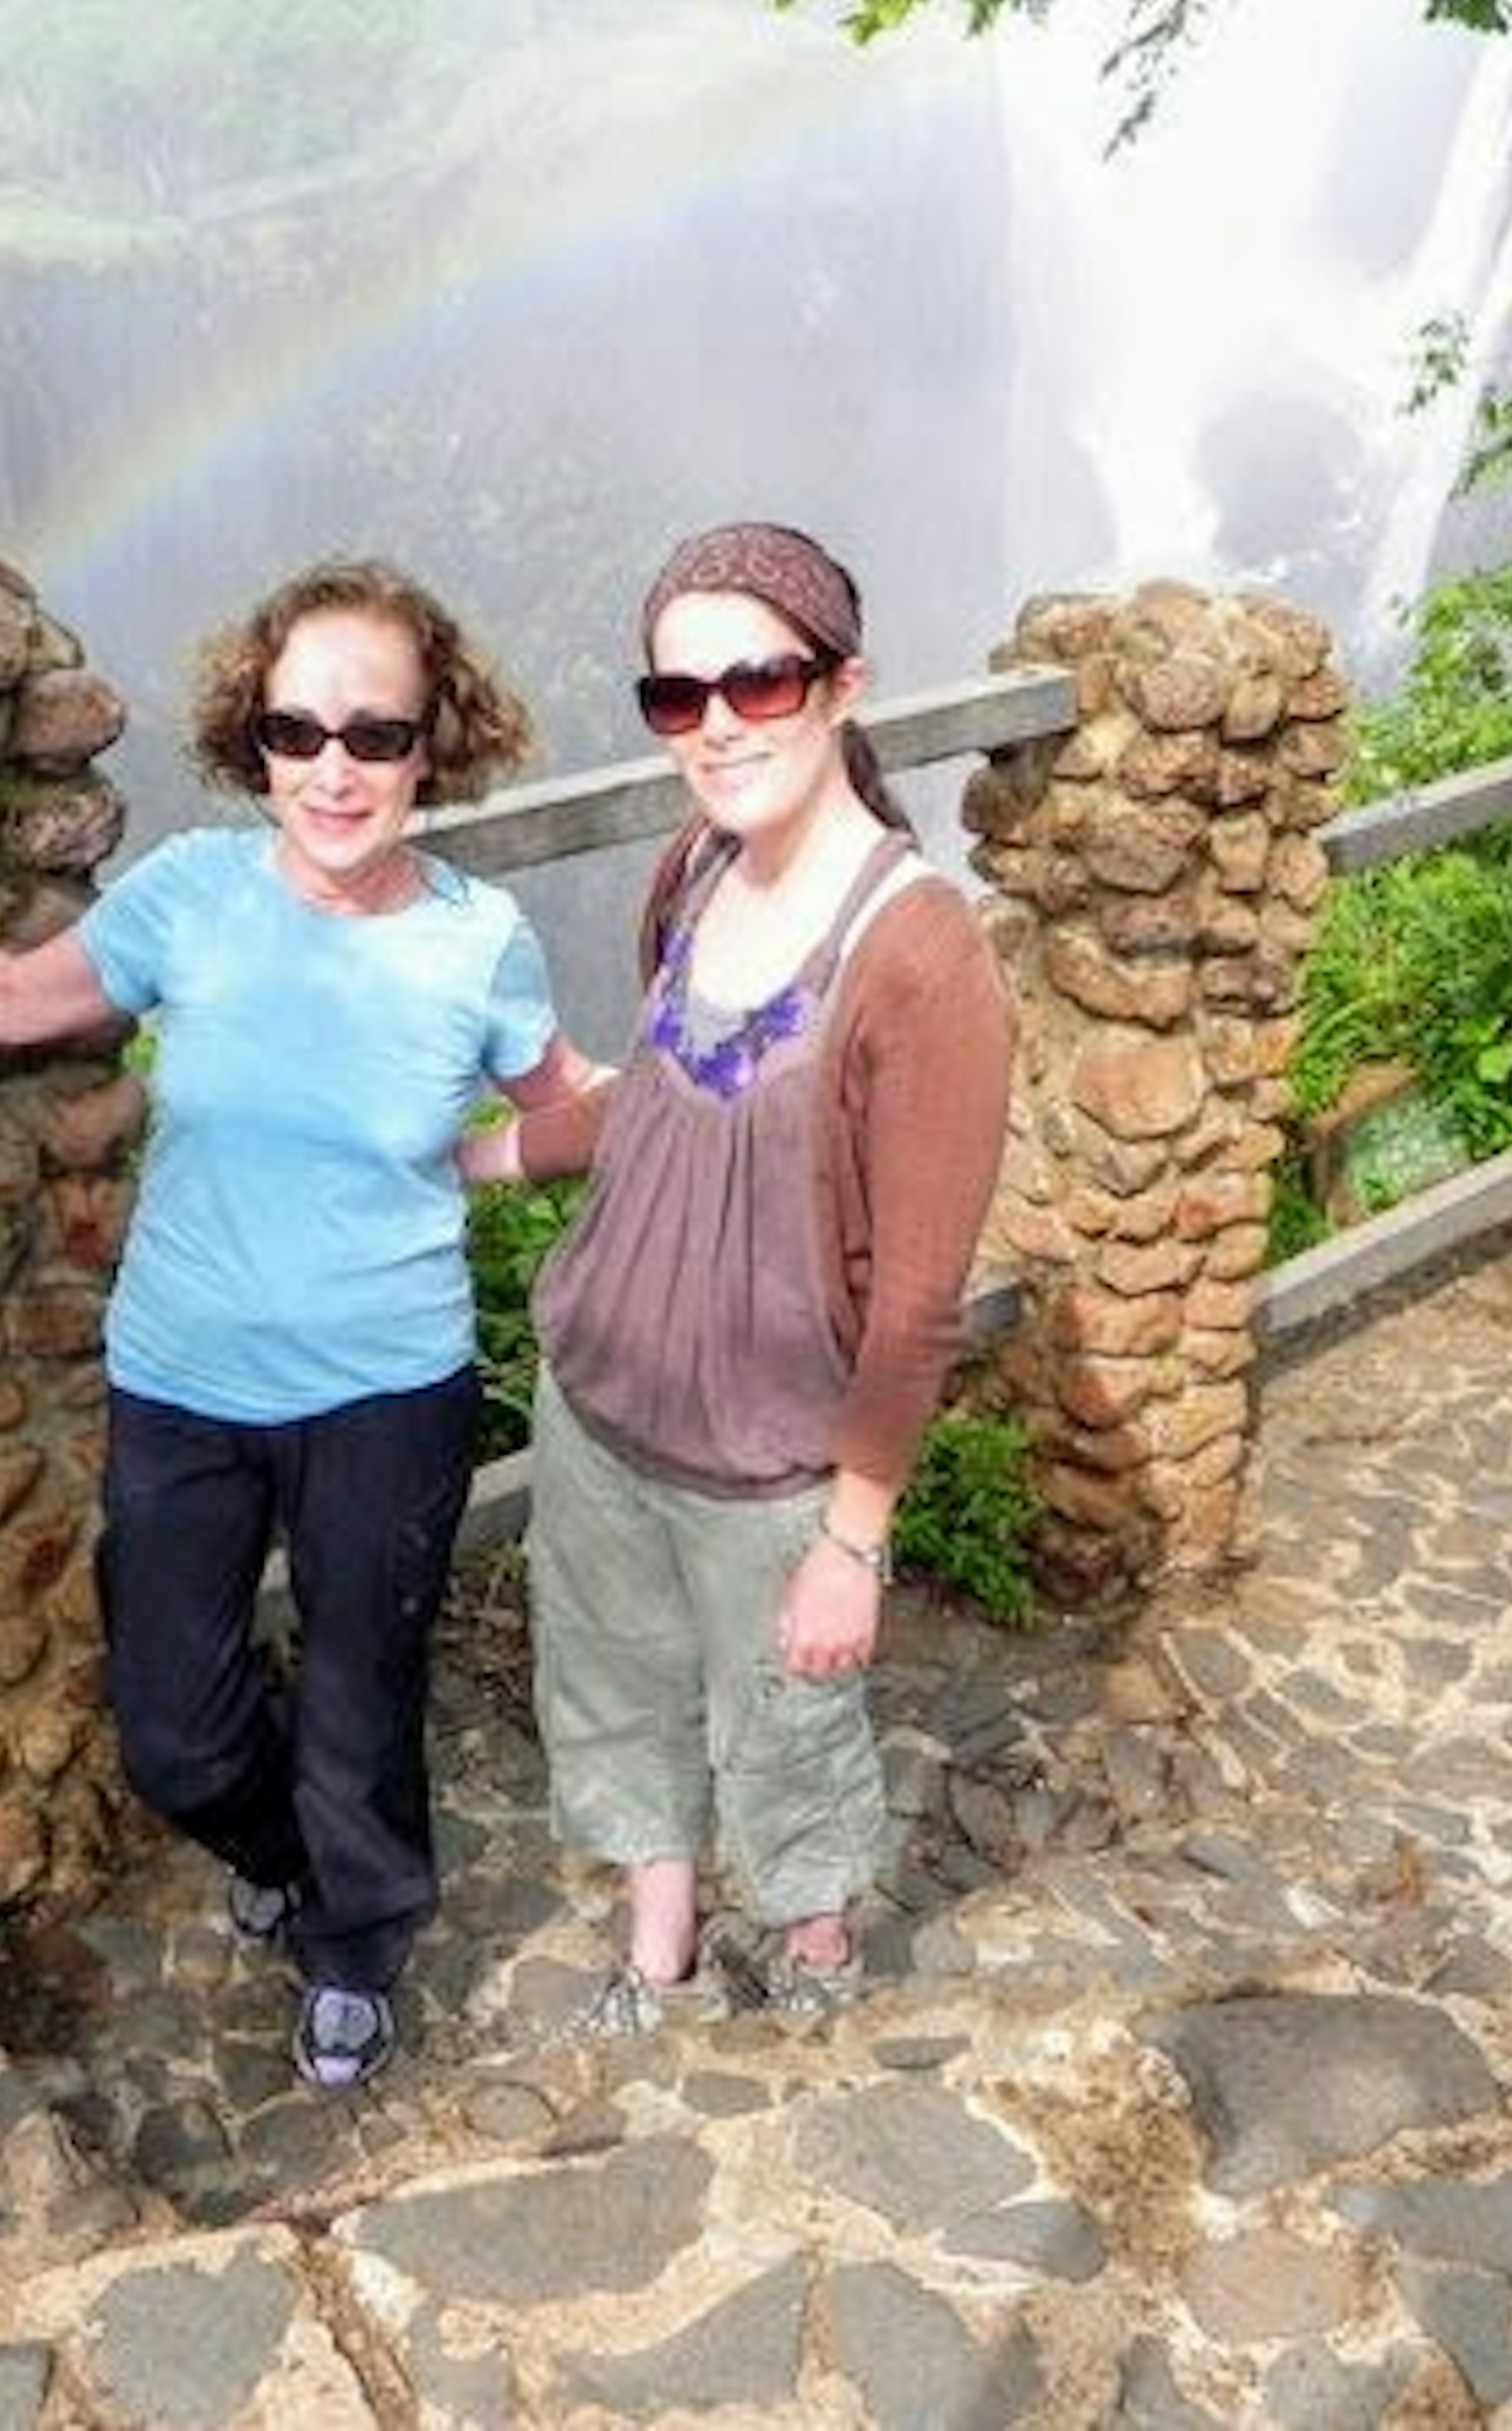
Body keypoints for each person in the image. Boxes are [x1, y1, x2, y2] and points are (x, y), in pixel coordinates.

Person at [0, 559, 603, 2092]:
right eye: (294, 730)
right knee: (174, 1724)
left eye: (374, 735)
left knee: (359, 1700)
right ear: (251, 739)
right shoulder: (191, 894)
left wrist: (483, 1158)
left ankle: (352, 1937)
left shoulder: (479, 941)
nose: (332, 768)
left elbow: (573, 1110)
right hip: (183, 1377)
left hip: (391, 1387)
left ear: (432, 745)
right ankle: (282, 1849)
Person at [476, 520, 1015, 2033]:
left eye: (757, 684)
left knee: (787, 1728)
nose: (716, 725)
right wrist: (484, 1162)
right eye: (676, 697)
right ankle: (662, 1947)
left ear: (841, 686)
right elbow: (655, 1096)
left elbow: (915, 1300)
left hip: (775, 1462)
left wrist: (855, 1537)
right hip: (602, 1406)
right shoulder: (694, 871)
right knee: (620, 1690)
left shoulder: (921, 957)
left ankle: (817, 1948)